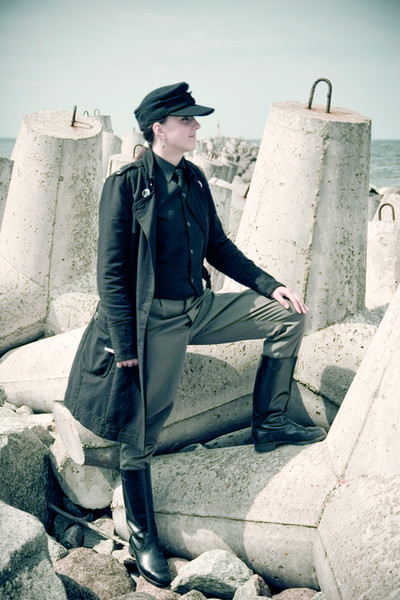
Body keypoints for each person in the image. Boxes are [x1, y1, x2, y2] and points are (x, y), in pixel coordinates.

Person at [64, 82, 326, 589]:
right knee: (142, 429)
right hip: (154, 321)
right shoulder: (126, 185)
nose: (197, 126)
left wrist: (269, 285)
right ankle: (142, 534)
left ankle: (270, 423)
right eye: (187, 119)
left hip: (200, 308)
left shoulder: (195, 179)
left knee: (287, 316)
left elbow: (219, 248)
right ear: (158, 129)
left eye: (195, 118)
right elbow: (110, 274)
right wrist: (124, 345)